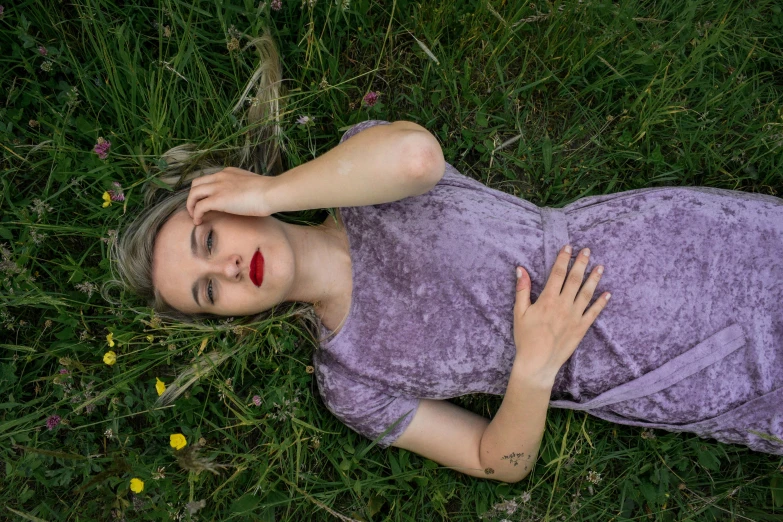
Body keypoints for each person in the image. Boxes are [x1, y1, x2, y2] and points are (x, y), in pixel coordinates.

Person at [114, 33, 783, 484]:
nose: (227, 270)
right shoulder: (350, 381)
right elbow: (499, 461)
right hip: (688, 374)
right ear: (227, 317)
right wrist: (535, 367)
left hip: (696, 245)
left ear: (229, 200)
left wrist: (271, 191)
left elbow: (415, 158)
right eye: (208, 292)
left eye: (209, 243)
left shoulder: (357, 177)